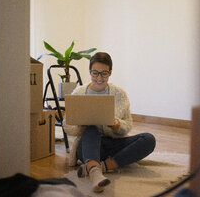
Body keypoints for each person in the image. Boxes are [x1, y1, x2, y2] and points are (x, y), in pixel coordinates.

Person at [63, 52, 156, 193]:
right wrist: (80, 125)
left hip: (113, 143)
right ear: (90, 72)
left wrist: (117, 124)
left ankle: (101, 167)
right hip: (88, 146)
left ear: (110, 73)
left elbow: (128, 124)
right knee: (91, 129)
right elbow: (67, 125)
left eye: (104, 73)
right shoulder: (79, 92)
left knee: (149, 139)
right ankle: (95, 174)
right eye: (95, 73)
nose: (99, 78)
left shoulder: (119, 94)